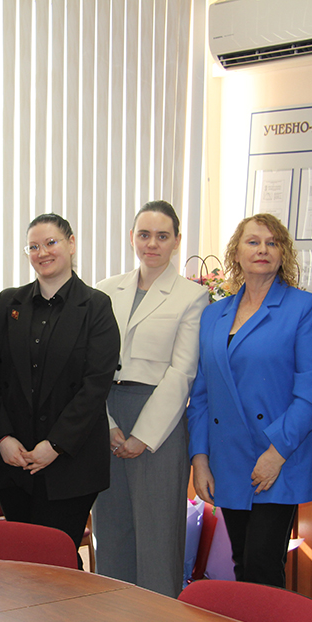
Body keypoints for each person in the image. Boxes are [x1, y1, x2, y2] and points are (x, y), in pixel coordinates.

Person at [186, 213, 312, 587]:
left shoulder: (303, 308)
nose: (262, 249)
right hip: (229, 459)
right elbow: (201, 394)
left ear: (283, 254)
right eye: (253, 242)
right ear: (236, 252)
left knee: (263, 567)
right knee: (241, 563)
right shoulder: (213, 314)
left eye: (272, 242)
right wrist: (199, 459)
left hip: (279, 457)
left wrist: (276, 453)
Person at [0, 213, 120, 564]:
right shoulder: (7, 304)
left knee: (57, 561)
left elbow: (95, 386)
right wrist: (2, 438)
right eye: (33, 246)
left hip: (72, 464)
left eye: (51, 243)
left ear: (71, 244)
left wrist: (55, 445)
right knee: (22, 562)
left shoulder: (96, 306)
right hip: (14, 461)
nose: (42, 252)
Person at [93, 200, 205, 597]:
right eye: (144, 235)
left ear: (177, 240)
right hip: (107, 413)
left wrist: (143, 435)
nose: (152, 244)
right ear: (131, 238)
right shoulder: (106, 290)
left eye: (162, 236)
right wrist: (107, 424)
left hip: (159, 420)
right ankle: (111, 620)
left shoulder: (192, 296)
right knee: (111, 529)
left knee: (158, 535)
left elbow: (182, 372)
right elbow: (91, 366)